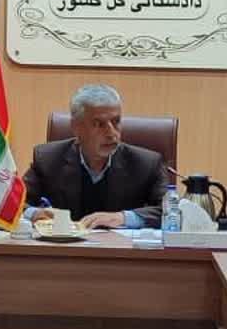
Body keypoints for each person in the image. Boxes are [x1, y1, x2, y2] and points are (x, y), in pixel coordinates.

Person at [22, 84, 167, 230]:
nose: (111, 133)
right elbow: (13, 203)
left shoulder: (146, 163)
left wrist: (123, 218)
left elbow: (170, 211)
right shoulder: (48, 159)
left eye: (116, 121)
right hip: (65, 243)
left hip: (120, 244)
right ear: (76, 127)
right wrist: (35, 213)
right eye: (99, 124)